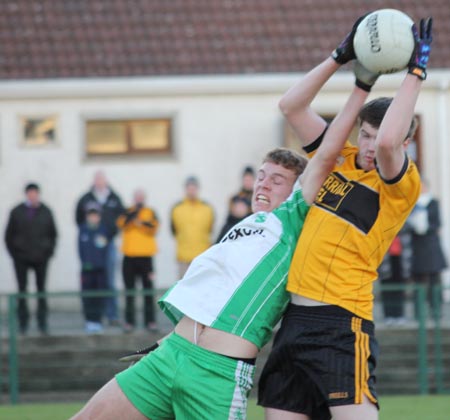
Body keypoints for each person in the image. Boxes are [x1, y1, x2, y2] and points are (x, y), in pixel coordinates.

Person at [69, 120, 352, 419]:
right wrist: (162, 345)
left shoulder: (293, 222)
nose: (263, 184)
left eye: (277, 180)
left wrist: (361, 83)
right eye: (261, 176)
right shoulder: (242, 227)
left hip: (217, 372)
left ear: (298, 190)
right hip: (170, 355)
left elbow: (322, 151)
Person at [258, 15, 432, 420]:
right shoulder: (341, 159)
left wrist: (416, 72)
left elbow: (390, 141)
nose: (371, 145)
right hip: (294, 319)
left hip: (341, 321)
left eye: (380, 136)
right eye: (364, 135)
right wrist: (341, 57)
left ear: (407, 141)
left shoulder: (400, 185)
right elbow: (291, 105)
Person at [5, 182, 58, 335]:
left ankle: (42, 323)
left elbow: (53, 235)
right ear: (27, 194)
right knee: (22, 290)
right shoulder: (17, 212)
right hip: (21, 258)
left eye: (35, 193)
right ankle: (23, 323)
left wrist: (48, 253)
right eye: (30, 193)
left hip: (41, 258)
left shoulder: (46, 211)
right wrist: (15, 254)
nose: (33, 196)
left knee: (41, 291)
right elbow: (9, 236)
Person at [76, 170, 125, 326]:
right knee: (91, 281)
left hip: (108, 244)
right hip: (90, 245)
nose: (99, 182)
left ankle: (112, 314)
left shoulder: (114, 198)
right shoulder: (86, 198)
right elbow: (78, 217)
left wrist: (109, 234)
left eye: (102, 179)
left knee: (109, 280)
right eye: (97, 179)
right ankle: (94, 318)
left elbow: (121, 218)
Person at [116, 188, 160, 333]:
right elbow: (121, 224)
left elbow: (153, 227)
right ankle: (129, 322)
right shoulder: (128, 211)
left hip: (146, 257)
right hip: (129, 257)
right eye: (137, 197)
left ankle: (150, 321)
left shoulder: (150, 212)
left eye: (141, 197)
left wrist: (139, 223)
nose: (139, 200)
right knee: (129, 291)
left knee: (148, 291)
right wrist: (133, 216)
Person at [408, 179, 448, 320]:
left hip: (431, 248)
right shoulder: (411, 203)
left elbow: (437, 223)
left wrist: (425, 227)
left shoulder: (433, 203)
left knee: (434, 282)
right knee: (418, 283)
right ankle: (418, 313)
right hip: (417, 248)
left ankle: (436, 311)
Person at [170, 176, 214, 278]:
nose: (191, 191)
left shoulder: (207, 208)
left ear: (198, 189)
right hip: (183, 257)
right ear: (185, 189)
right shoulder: (177, 208)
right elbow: (173, 230)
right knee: (183, 287)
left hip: (202, 256)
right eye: (189, 188)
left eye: (194, 188)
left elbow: (210, 229)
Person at [78, 204, 109, 334]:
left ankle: (98, 320)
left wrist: (99, 263)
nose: (93, 217)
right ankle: (89, 321)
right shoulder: (83, 230)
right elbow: (80, 249)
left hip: (100, 269)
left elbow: (103, 248)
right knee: (87, 296)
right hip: (87, 270)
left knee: (99, 296)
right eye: (90, 215)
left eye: (95, 215)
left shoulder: (102, 230)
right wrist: (86, 263)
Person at [378, 226, 412, 325]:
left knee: (399, 291)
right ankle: (388, 315)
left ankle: (399, 315)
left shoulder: (404, 229)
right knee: (387, 291)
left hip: (400, 262)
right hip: (386, 263)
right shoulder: (383, 228)